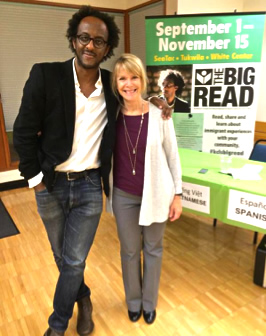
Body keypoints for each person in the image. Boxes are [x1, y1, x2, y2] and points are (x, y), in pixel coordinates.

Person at [13, 6, 170, 336]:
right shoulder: (45, 75)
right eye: (84, 38)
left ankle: (56, 326)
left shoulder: (111, 86)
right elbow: (24, 132)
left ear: (106, 47)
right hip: (51, 184)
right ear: (73, 40)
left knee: (73, 261)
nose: (90, 46)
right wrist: (36, 181)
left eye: (99, 41)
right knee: (64, 259)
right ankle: (83, 299)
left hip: (88, 187)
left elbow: (134, 94)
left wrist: (158, 100)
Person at [109, 54, 183, 325]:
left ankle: (149, 303)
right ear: (116, 84)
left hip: (157, 194)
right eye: (122, 78)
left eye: (134, 77)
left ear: (142, 79)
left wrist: (178, 195)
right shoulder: (111, 115)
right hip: (123, 196)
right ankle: (133, 302)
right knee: (129, 251)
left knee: (153, 248)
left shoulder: (160, 113)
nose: (129, 84)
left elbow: (173, 155)